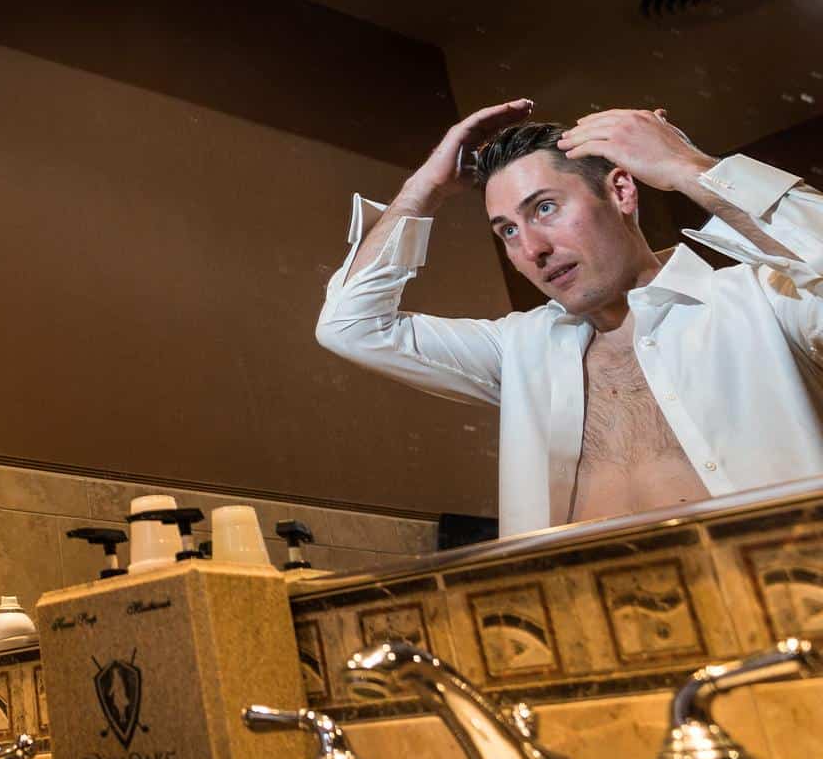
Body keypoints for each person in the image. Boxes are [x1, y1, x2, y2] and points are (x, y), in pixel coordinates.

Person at [316, 100, 823, 536]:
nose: (532, 248)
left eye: (545, 208)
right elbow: (351, 326)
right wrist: (423, 188)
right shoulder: (520, 351)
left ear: (622, 192)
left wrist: (687, 167)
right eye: (508, 231)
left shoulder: (765, 302)